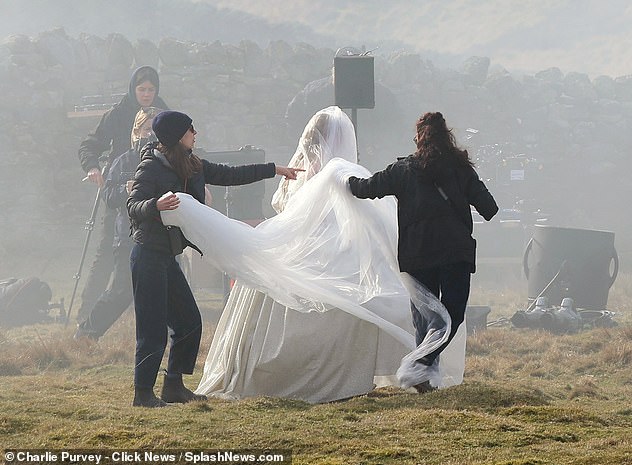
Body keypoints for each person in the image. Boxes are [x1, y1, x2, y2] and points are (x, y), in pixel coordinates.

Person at [162, 107, 464, 404]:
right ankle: (401, 368)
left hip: (312, 251)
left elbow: (285, 206)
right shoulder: (343, 173)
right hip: (328, 252)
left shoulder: (320, 174)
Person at [126, 110, 302, 408]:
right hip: (147, 255)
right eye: (190, 130)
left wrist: (275, 169)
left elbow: (230, 174)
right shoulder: (151, 167)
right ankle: (143, 394)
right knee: (152, 328)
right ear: (176, 136)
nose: (196, 134)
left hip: (168, 256)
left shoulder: (192, 164)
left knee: (189, 322)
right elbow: (132, 205)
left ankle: (173, 386)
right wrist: (154, 205)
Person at [347, 111, 499, 392]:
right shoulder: (461, 168)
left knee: (425, 316)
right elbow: (490, 209)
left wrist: (342, 178)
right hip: (455, 252)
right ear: (447, 136)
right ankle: (420, 367)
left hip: (417, 254)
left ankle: (421, 371)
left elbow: (365, 189)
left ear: (418, 138)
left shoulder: (402, 170)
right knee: (451, 315)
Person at [76, 66, 168, 322]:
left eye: (151, 89)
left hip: (153, 193)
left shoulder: (162, 112)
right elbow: (89, 145)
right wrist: (93, 167)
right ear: (133, 89)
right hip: (121, 188)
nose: (147, 94)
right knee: (108, 250)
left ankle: (150, 308)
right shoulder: (117, 114)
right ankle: (87, 313)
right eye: (142, 89)